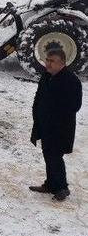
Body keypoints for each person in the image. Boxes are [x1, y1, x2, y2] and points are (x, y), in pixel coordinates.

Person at [29, 49, 82, 202]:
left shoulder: (71, 81)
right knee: (48, 154)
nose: (48, 63)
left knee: (55, 156)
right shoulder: (46, 76)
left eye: (52, 61)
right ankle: (51, 184)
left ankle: (62, 187)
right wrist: (37, 113)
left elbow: (75, 106)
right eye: (47, 60)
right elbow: (39, 97)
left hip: (60, 128)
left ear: (62, 63)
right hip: (45, 125)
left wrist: (53, 111)